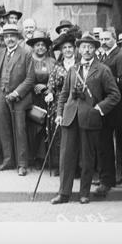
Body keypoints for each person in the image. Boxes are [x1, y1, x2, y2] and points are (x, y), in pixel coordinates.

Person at [51, 32, 121, 205]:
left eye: (90, 47)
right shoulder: (73, 69)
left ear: (95, 49)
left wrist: (98, 109)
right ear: (79, 49)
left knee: (87, 159)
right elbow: (64, 94)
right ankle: (63, 193)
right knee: (66, 158)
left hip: (89, 119)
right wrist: (60, 114)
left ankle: (84, 193)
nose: (87, 50)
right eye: (83, 46)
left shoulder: (103, 70)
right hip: (69, 118)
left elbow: (115, 95)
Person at [0, 24, 35, 176]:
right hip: (1, 93)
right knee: (3, 128)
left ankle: (22, 164)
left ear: (18, 37)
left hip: (19, 97)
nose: (9, 39)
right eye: (6, 36)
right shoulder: (1, 52)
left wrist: (17, 93)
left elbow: (30, 79)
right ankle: (8, 160)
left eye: (12, 36)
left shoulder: (26, 53)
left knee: (20, 129)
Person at [99, 30, 122, 185]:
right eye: (101, 39)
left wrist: (105, 80)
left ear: (114, 39)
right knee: (106, 141)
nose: (104, 41)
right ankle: (108, 175)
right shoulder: (103, 56)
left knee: (121, 141)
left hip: (119, 105)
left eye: (107, 38)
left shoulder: (121, 56)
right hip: (107, 105)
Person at [45, 32, 77, 175]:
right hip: (59, 103)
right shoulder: (57, 66)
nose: (68, 50)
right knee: (58, 135)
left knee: (74, 136)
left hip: (76, 102)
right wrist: (50, 93)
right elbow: (50, 83)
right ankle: (60, 166)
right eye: (65, 48)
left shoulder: (79, 65)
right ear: (62, 51)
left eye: (70, 47)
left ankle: (75, 167)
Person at [25, 30, 53, 169]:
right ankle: (31, 156)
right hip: (32, 98)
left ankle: (43, 158)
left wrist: (48, 88)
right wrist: (34, 86)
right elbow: (24, 78)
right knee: (32, 128)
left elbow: (57, 79)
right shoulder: (28, 60)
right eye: (37, 45)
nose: (40, 47)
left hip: (47, 98)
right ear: (33, 47)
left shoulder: (52, 62)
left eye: (43, 45)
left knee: (45, 128)